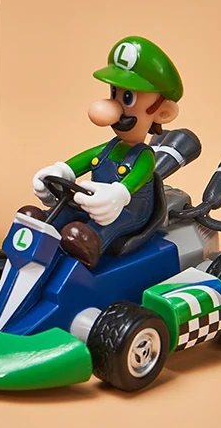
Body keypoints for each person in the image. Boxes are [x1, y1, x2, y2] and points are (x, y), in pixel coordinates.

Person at [29, 36, 183, 270]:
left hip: (129, 214)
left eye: (128, 98)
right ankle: (39, 232)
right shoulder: (108, 148)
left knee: (99, 228)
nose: (113, 108)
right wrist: (60, 171)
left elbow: (130, 184)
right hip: (96, 205)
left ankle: (90, 247)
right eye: (114, 94)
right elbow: (77, 164)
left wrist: (118, 193)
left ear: (162, 112)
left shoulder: (144, 157)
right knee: (62, 214)